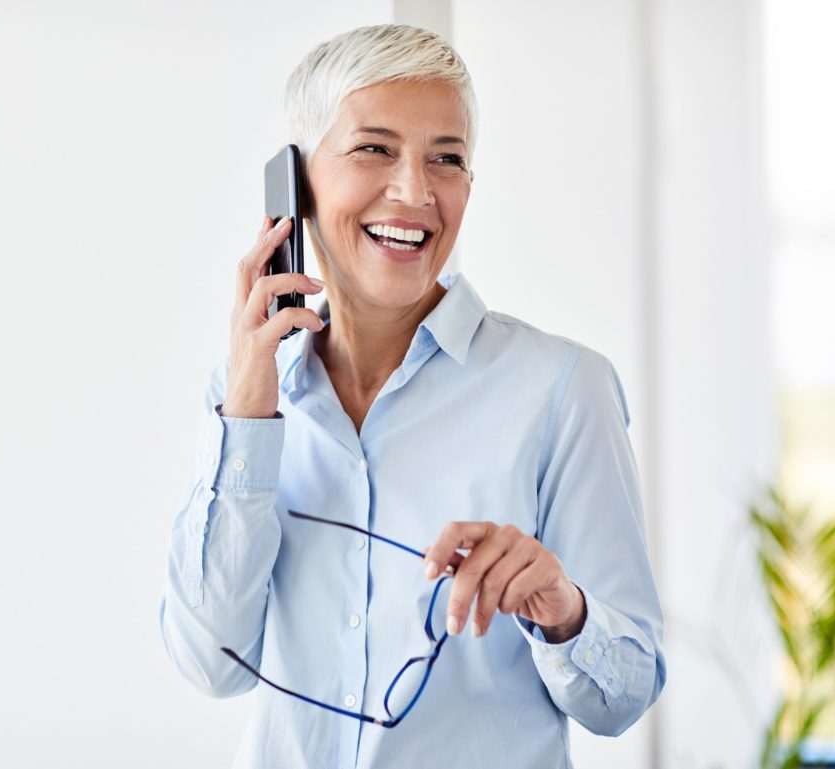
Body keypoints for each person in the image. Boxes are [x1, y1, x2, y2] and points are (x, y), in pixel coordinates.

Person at [159, 23, 665, 769]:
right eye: (375, 148)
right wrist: (247, 422)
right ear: (294, 182)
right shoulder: (250, 400)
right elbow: (213, 661)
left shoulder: (563, 389)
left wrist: (565, 609)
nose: (415, 191)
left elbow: (625, 693)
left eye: (447, 159)